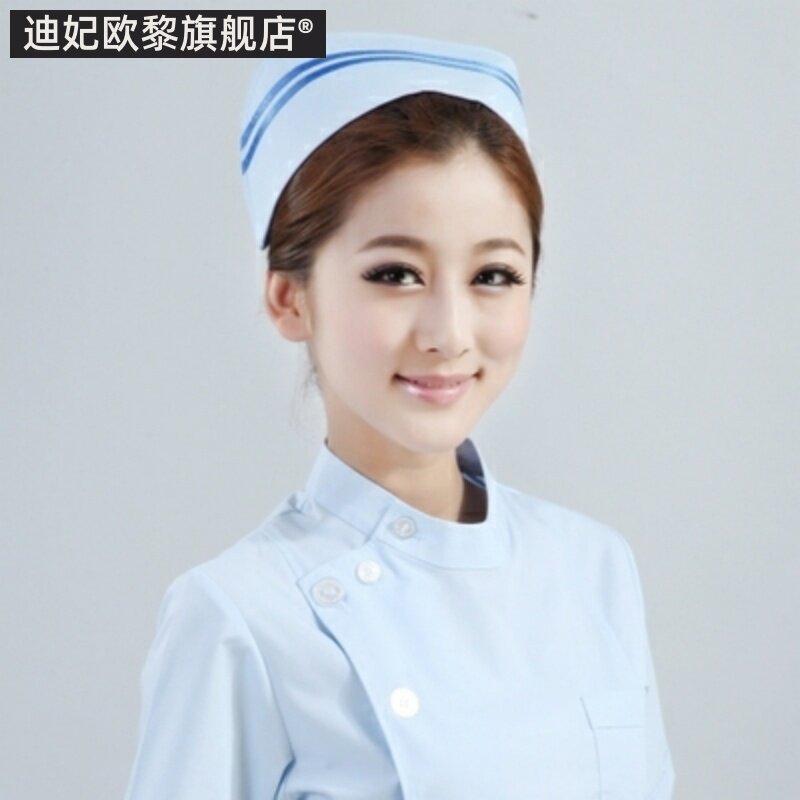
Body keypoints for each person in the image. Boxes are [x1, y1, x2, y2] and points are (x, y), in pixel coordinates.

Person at [123, 32, 675, 799]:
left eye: (493, 275)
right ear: (289, 296)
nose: (449, 333)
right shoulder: (241, 616)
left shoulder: (595, 568)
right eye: (395, 273)